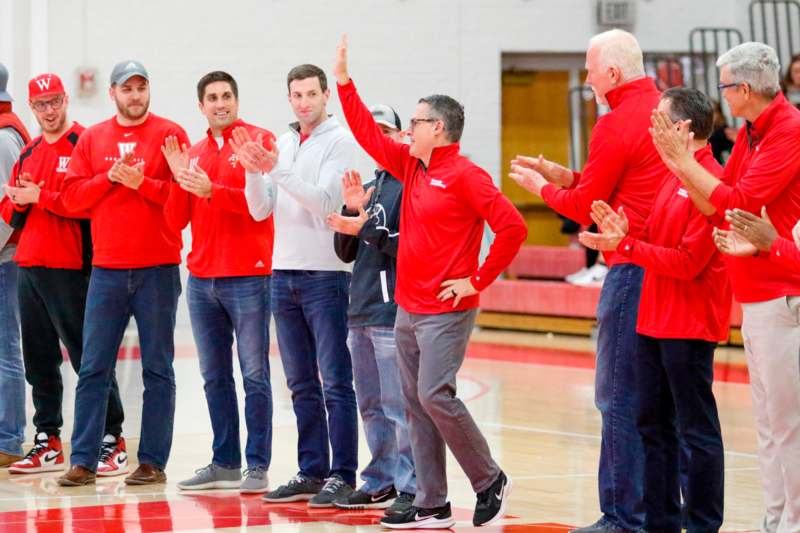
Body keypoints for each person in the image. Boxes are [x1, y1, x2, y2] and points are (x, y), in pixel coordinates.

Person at [334, 35, 526, 529]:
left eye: (416, 122)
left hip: (445, 309)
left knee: (435, 395)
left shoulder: (466, 176)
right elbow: (368, 136)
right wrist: (344, 83)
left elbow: (513, 227)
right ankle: (432, 501)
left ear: (437, 128)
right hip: (407, 307)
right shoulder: (410, 166)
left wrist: (477, 280)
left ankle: (489, 479)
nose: (407, 130)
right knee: (417, 404)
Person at [509, 29, 665, 533]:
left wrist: (540, 188)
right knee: (658, 401)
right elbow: (617, 180)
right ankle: (658, 512)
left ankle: (621, 516)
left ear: (613, 73)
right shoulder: (663, 108)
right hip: (665, 265)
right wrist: (562, 174)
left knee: (616, 396)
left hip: (630, 265)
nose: (588, 77)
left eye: (591, 68)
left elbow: (585, 209)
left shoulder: (615, 120)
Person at [651, 41, 800, 533]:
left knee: (788, 427)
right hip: (758, 294)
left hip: (784, 293)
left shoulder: (788, 130)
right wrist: (678, 165)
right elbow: (719, 207)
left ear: (746, 88)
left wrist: (683, 162)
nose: (721, 97)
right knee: (768, 427)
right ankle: (776, 519)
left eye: (725, 87)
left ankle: (792, 522)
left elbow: (739, 200)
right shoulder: (753, 132)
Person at [580, 87, 729, 533]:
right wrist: (622, 232)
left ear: (681, 128)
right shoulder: (670, 177)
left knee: (694, 430)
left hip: (689, 322)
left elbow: (687, 263)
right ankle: (661, 523)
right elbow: (658, 241)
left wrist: (628, 245)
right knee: (652, 424)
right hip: (653, 318)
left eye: (658, 120)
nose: (651, 127)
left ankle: (702, 524)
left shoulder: (709, 182)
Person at [57, 60, 189, 487]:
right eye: (126, 89)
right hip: (108, 272)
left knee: (158, 369)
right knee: (93, 367)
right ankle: (83, 460)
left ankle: (151, 461)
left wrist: (141, 184)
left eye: (141, 87)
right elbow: (72, 199)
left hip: (157, 270)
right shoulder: (93, 139)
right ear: (112, 93)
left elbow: (183, 204)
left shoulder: (171, 134)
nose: (135, 95)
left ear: (149, 90)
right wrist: (109, 179)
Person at [240, 63, 360, 507]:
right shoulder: (285, 143)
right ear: (288, 98)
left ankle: (343, 473)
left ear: (325, 95)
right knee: (299, 382)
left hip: (326, 275)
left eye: (311, 93)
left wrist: (278, 170)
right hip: (283, 271)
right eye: (296, 94)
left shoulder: (341, 142)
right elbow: (258, 211)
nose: (304, 101)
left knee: (335, 380)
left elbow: (325, 203)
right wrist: (255, 171)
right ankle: (311, 470)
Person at [0, 74, 126, 476]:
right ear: (32, 108)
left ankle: (112, 438)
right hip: (30, 265)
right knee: (39, 360)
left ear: (66, 100)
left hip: (74, 267)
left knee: (89, 358)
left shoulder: (85, 143)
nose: (49, 111)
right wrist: (20, 201)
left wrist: (43, 198)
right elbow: (10, 211)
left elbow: (90, 202)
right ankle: (48, 439)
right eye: (41, 105)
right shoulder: (30, 150)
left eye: (55, 102)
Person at [162, 71, 276, 494]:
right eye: (212, 97)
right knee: (214, 376)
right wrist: (178, 179)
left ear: (237, 99)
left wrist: (212, 191)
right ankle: (225, 461)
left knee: (254, 374)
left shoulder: (258, 142)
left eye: (227, 95)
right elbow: (175, 224)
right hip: (202, 279)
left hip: (248, 275)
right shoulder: (192, 153)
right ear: (201, 106)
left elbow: (258, 209)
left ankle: (258, 465)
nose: (220, 103)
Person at [326, 104, 416, 515]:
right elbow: (345, 251)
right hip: (359, 308)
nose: (378, 138)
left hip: (389, 308)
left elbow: (405, 245)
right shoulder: (368, 185)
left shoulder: (410, 184)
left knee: (399, 405)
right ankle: (379, 479)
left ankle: (411, 484)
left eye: (385, 130)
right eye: (372, 131)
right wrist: (349, 211)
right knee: (371, 404)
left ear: (400, 137)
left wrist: (366, 227)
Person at [0, 62, 30, 469]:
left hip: (6, 260)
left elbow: (11, 208)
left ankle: (8, 438)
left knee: (5, 349)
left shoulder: (5, 136)